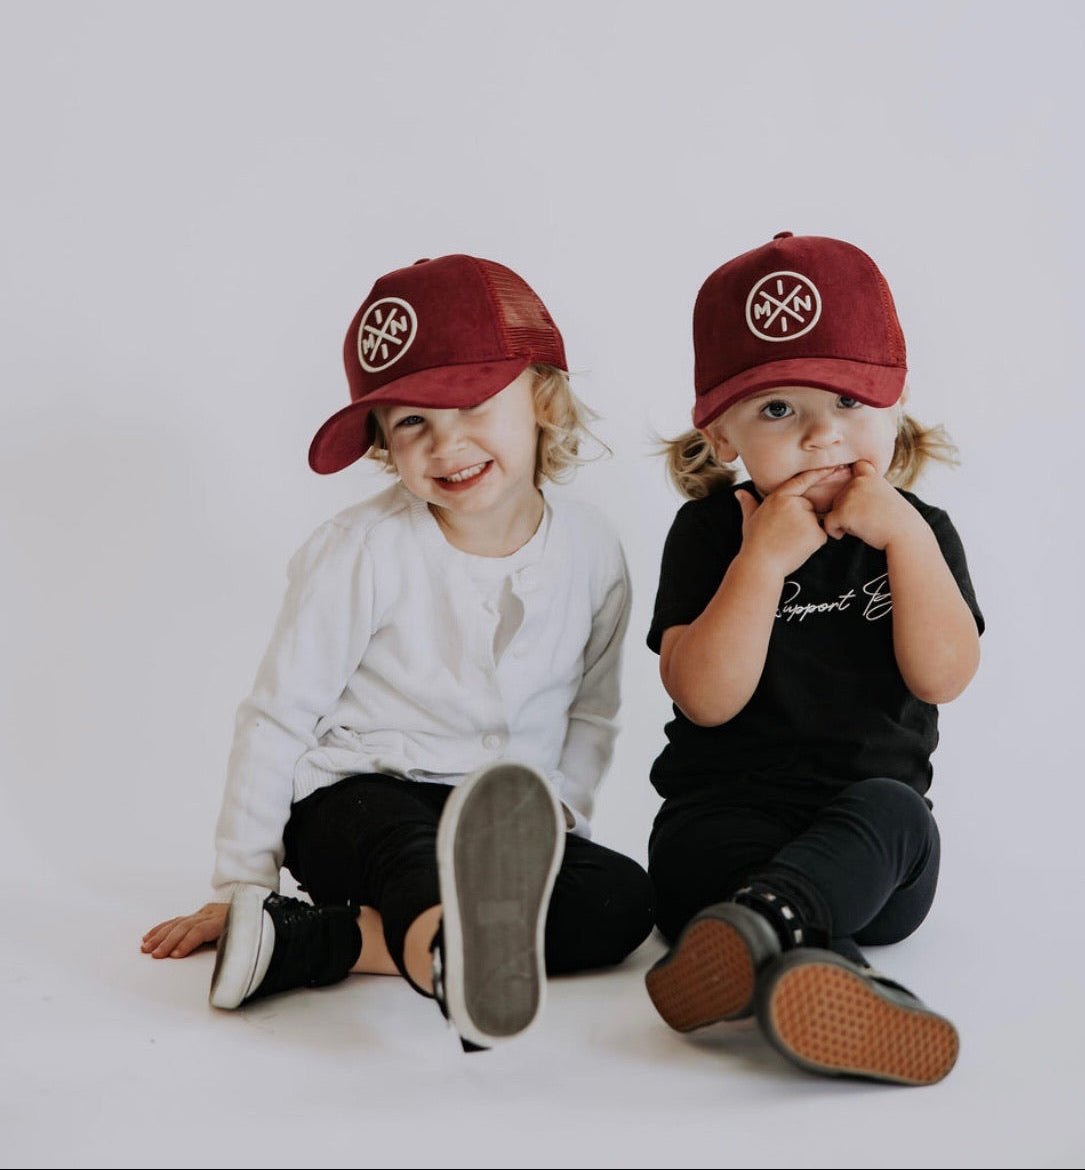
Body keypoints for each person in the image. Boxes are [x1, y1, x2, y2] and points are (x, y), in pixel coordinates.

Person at [141, 253, 653, 1051]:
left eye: (473, 403)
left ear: (543, 398)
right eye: (412, 421)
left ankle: (326, 942)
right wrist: (242, 883)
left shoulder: (593, 550)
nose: (446, 445)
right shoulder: (362, 551)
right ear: (384, 443)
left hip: (497, 816)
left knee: (622, 901)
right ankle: (450, 963)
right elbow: (278, 716)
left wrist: (559, 819)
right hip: (357, 798)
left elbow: (593, 706)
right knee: (413, 856)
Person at [642, 232, 983, 1085]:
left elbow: (943, 674)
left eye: (847, 400)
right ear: (721, 435)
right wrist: (761, 563)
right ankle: (822, 975)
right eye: (778, 410)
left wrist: (902, 536)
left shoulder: (921, 532)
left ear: (895, 405)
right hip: (723, 824)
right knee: (702, 857)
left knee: (895, 814)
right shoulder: (713, 533)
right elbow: (704, 700)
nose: (823, 434)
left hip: (873, 846)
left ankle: (764, 937)